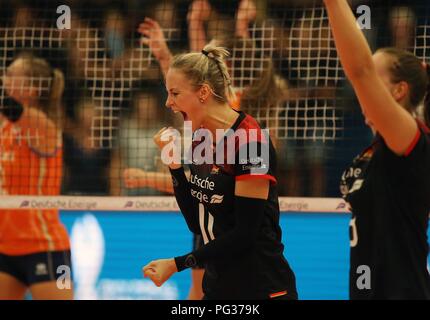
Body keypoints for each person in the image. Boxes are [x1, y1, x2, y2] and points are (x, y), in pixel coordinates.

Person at [141, 43, 298, 300]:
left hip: (262, 287)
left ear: (203, 92)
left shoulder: (251, 142)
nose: (168, 102)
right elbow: (197, 224)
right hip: (218, 287)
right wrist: (175, 168)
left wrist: (177, 263)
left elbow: (245, 234)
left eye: (175, 93)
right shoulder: (201, 138)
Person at [324, 0, 430, 299]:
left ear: (400, 90)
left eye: (376, 76)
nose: (364, 90)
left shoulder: (412, 139)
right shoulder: (373, 153)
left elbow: (359, 72)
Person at [0, 53, 73, 299]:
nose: (4, 78)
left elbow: (10, 107)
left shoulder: (43, 126)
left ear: (31, 89)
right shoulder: (5, 127)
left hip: (44, 246)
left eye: (10, 75)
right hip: (6, 246)